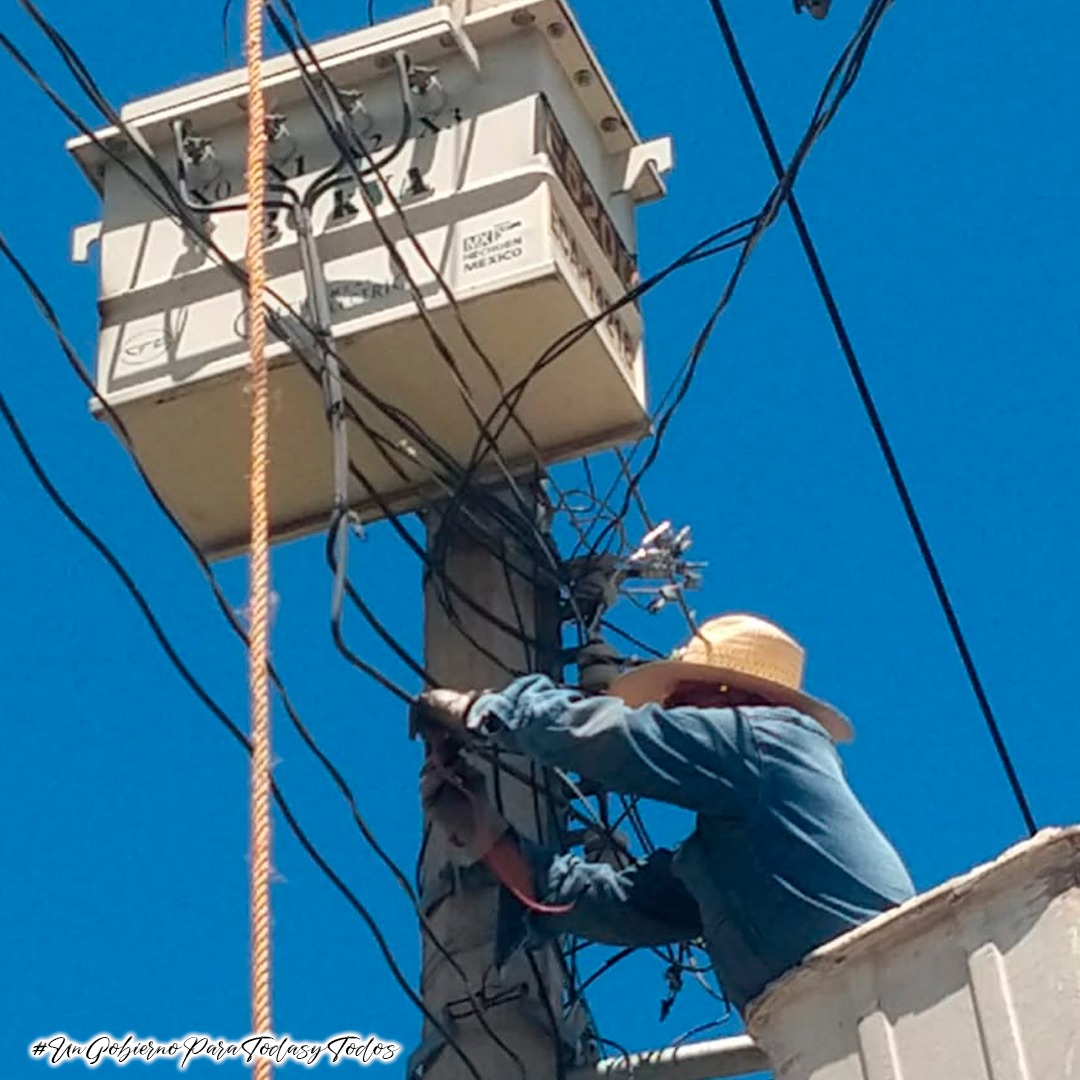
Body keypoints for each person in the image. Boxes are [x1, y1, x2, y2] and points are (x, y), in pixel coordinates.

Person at [415, 613, 915, 1013]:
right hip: (837, 1022)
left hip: (880, 992)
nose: (671, 710)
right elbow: (613, 904)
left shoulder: (769, 738)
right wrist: (485, 834)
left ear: (734, 697)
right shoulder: (728, 856)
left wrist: (480, 709)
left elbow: (621, 739)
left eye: (684, 696)